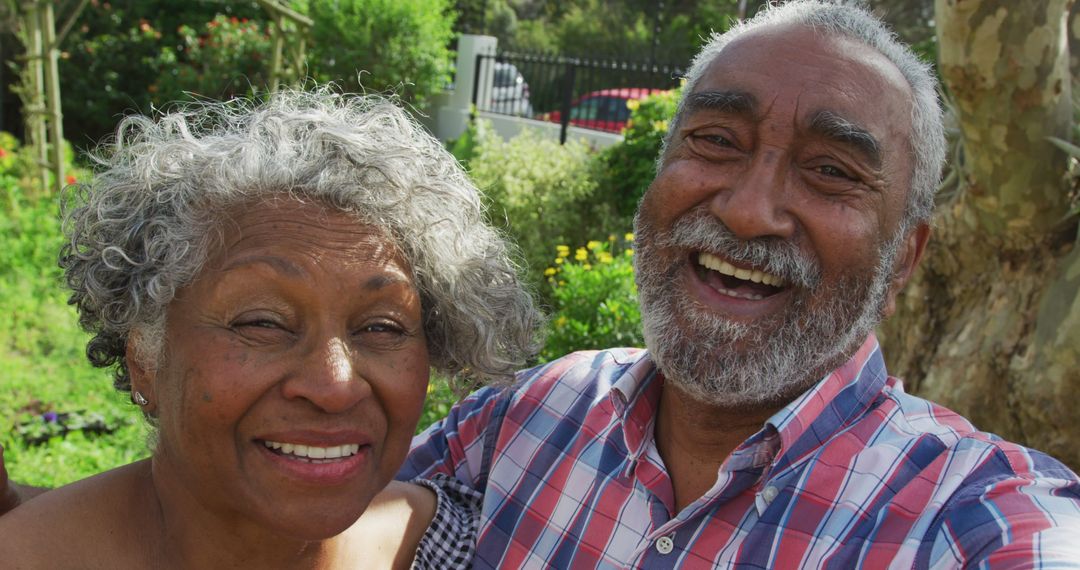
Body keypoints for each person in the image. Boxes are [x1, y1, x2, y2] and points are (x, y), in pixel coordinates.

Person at [399, 1, 1080, 568]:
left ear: (904, 258)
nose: (748, 211)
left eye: (832, 171)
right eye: (717, 140)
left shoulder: (976, 522)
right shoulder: (527, 418)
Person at [0, 88, 541, 568]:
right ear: (145, 357)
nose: (334, 386)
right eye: (262, 323)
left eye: (382, 327)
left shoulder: (471, 548)